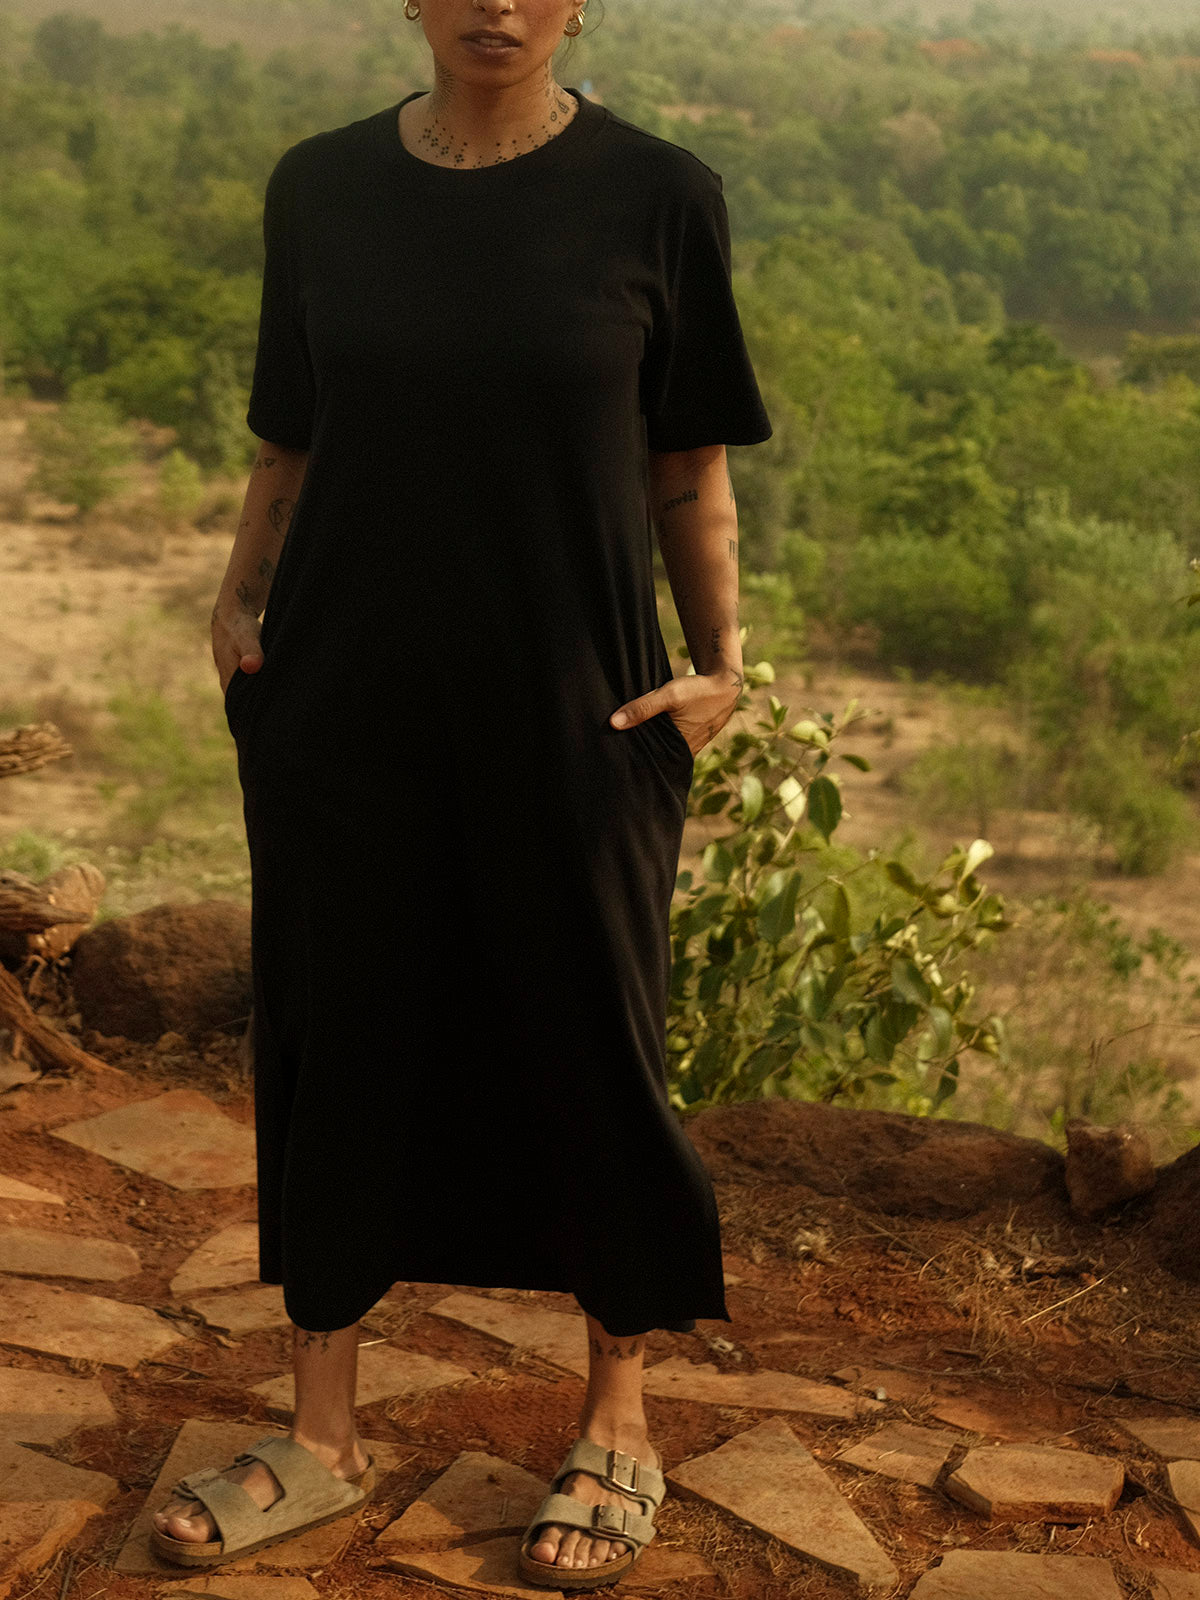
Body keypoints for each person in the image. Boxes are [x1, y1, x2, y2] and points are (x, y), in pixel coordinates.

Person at [151, 0, 772, 1586]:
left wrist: (723, 665)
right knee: (336, 1026)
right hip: (347, 696)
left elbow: (690, 464)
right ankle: (321, 1433)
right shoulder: (322, 187)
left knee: (593, 1030)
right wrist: (239, 597)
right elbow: (290, 433)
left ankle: (618, 1416)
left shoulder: (659, 195)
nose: (497, 2)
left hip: (577, 705)